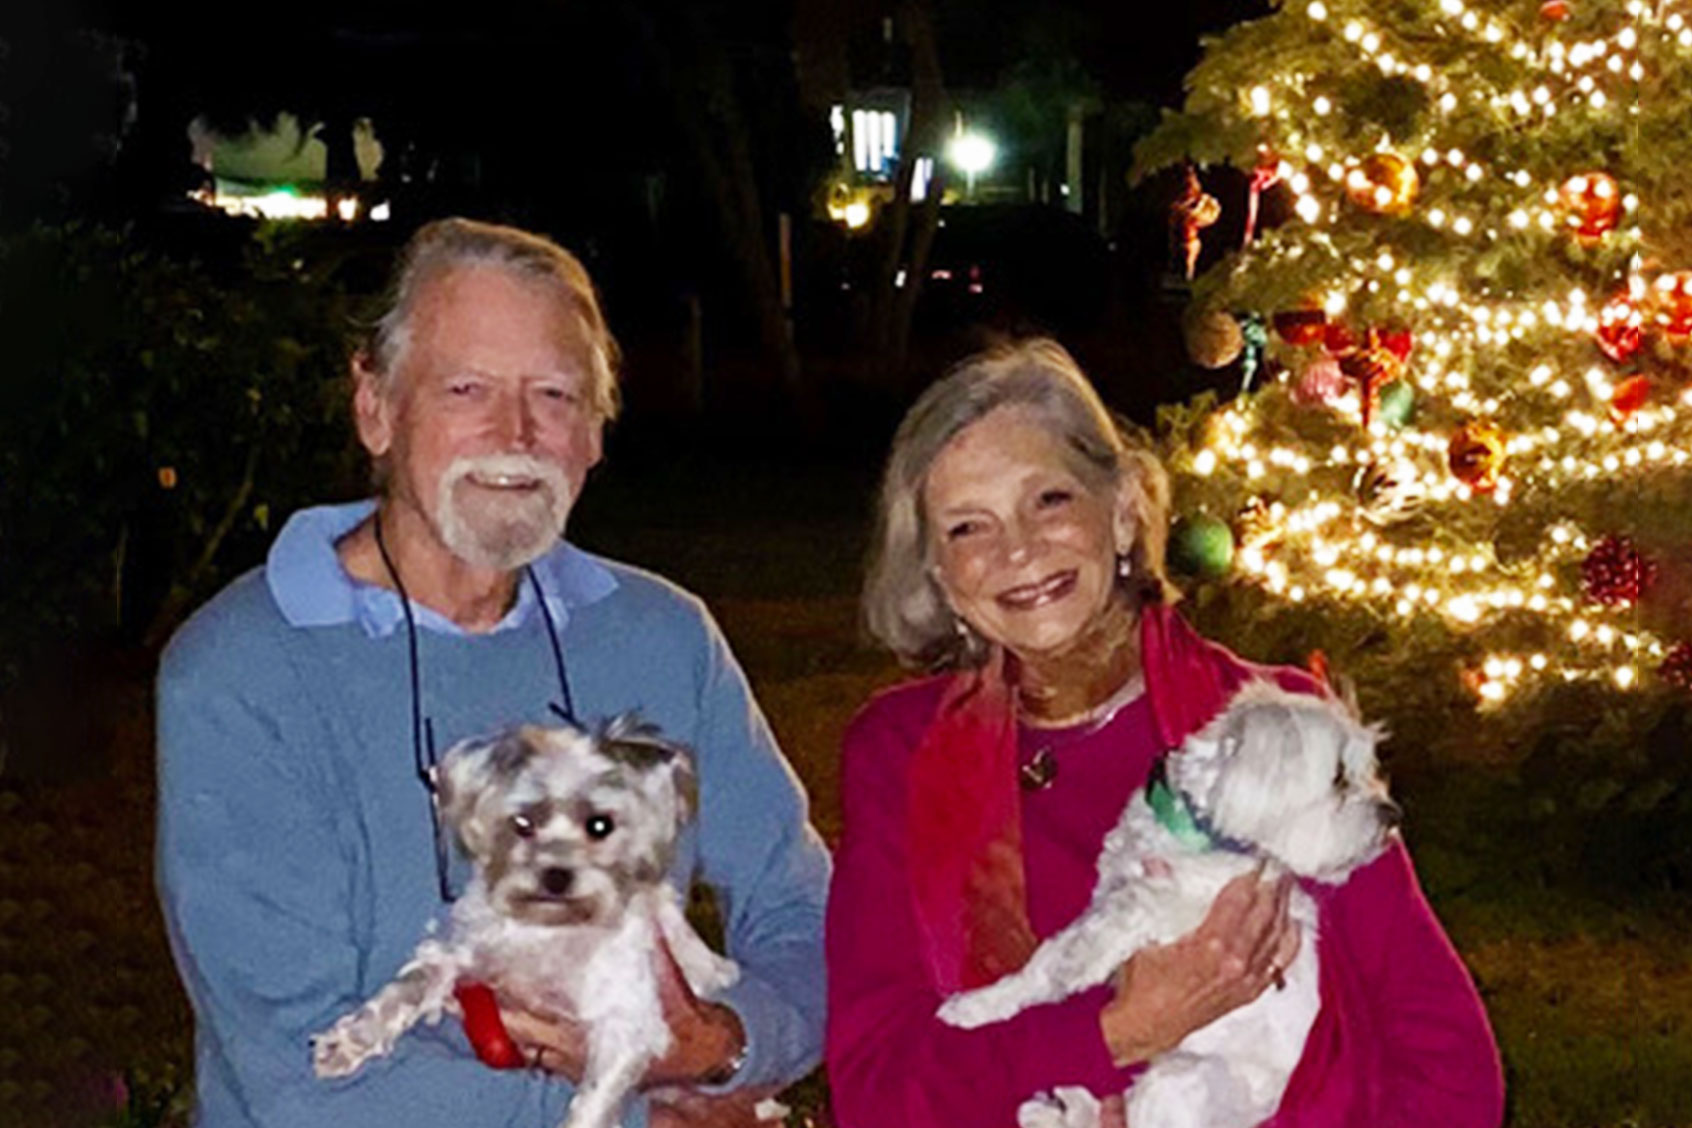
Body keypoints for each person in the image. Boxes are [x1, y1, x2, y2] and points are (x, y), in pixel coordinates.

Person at [156, 218, 830, 1128]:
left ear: (594, 432)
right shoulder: (242, 671)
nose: (514, 433)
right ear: (376, 408)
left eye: (554, 394)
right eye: (466, 388)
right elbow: (298, 1072)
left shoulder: (664, 639)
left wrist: (721, 1046)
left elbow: (814, 918)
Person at [825, 338, 1504, 1127]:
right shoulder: (900, 750)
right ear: (940, 575)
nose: (1018, 550)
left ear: (1121, 512)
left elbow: (1448, 1063)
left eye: (1049, 501)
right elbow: (878, 1087)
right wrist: (1119, 1031)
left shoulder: (1274, 731)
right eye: (968, 529)